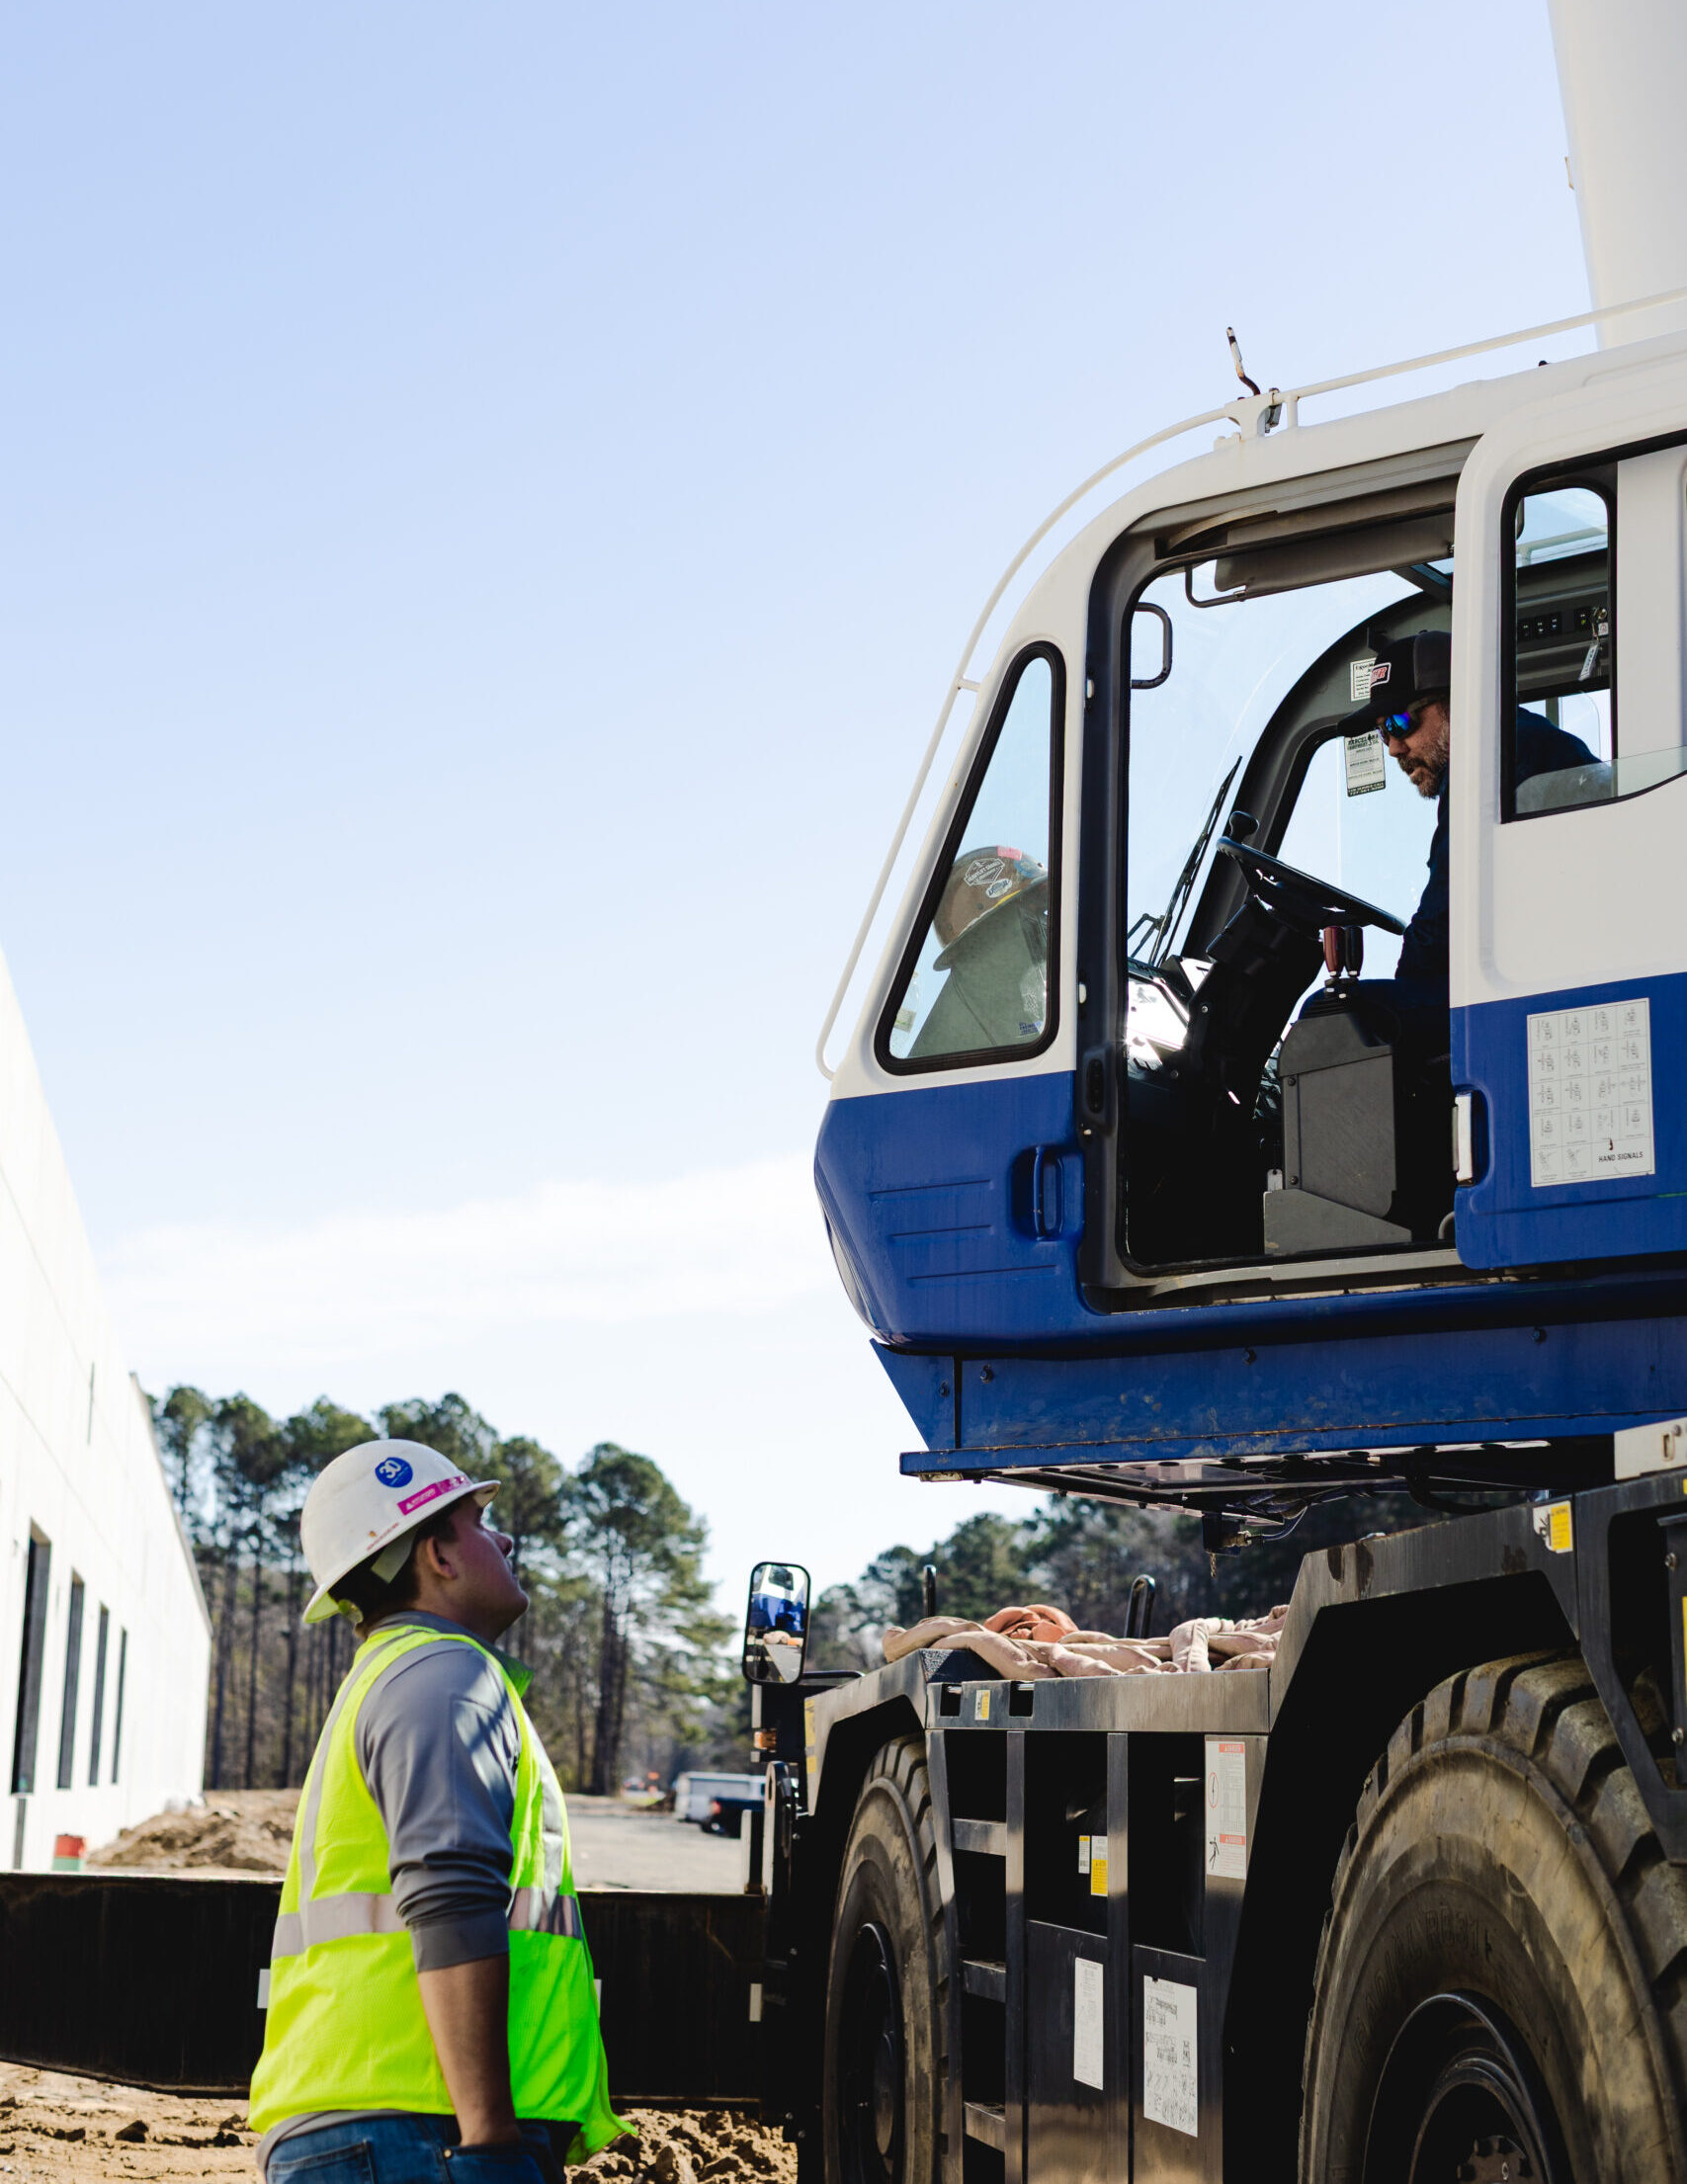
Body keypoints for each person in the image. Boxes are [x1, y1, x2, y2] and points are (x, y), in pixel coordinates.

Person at [248, 1440, 626, 2184]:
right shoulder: (443, 1676)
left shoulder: (394, 1677)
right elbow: (450, 1892)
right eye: (479, 1524)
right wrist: (489, 2140)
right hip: (423, 2137)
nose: (504, 1539)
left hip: (383, 2128)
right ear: (439, 1557)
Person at [1351, 629, 1595, 1011]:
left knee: (1352, 1015)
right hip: (1549, 968)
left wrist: (1397, 1009)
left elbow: (1444, 916)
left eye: (1401, 721)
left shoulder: (1495, 758)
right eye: (1384, 733)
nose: (1395, 746)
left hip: (1555, 984)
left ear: (1458, 700)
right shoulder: (1522, 740)